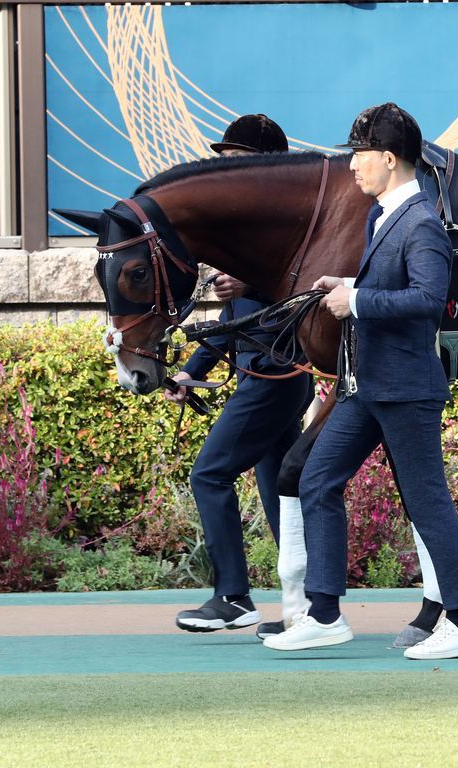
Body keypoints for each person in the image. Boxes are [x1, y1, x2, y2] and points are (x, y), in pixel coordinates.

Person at [264, 102, 458, 660]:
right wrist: (347, 282)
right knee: (317, 479)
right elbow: (393, 281)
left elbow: (429, 300)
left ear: (389, 159)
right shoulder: (382, 215)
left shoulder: (422, 222)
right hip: (366, 386)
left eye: (359, 154)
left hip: (406, 389)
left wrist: (357, 300)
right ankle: (324, 615)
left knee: (427, 501)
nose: (351, 165)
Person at [167, 114, 314, 638]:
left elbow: (304, 293)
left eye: (235, 160)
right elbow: (233, 324)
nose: (226, 170)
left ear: (267, 162)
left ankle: (232, 597)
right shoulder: (247, 227)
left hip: (276, 376)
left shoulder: (286, 223)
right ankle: (307, 606)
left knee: (209, 474)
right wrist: (191, 371)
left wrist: (249, 283)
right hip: (270, 376)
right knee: (281, 490)